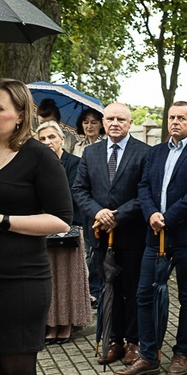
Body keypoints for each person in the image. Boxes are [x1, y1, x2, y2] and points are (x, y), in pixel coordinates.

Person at [114, 101, 187, 375]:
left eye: (182, 118)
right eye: (171, 117)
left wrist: (167, 217)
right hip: (154, 234)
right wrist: (151, 215)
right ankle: (148, 356)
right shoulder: (156, 152)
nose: (175, 122)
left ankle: (181, 354)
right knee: (144, 294)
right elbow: (143, 186)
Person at [0, 79, 72, 375]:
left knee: (16, 372)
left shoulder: (38, 156)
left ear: (19, 115)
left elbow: (61, 220)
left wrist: (4, 221)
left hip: (21, 281)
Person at [72, 103, 150, 366]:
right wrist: (99, 213)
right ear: (103, 123)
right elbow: (79, 190)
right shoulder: (91, 153)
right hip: (100, 234)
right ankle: (113, 340)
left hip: (132, 234)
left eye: (120, 119)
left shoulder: (144, 153)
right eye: (110, 119)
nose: (115, 123)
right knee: (108, 290)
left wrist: (118, 215)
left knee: (133, 290)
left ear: (129, 123)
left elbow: (145, 193)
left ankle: (133, 342)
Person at [36, 121, 92, 344]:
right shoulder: (35, 163)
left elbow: (73, 195)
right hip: (41, 227)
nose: (47, 142)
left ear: (61, 139)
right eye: (42, 139)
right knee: (48, 279)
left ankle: (67, 324)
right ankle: (50, 324)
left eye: (51, 137)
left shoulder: (74, 163)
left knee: (69, 279)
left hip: (68, 228)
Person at [71, 107, 106, 309]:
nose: (89, 126)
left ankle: (97, 289)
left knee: (96, 248)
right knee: (85, 248)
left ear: (101, 124)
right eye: (86, 122)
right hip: (80, 203)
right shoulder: (77, 146)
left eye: (93, 122)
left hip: (98, 203)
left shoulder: (104, 146)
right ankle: (89, 290)